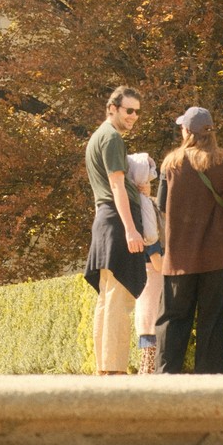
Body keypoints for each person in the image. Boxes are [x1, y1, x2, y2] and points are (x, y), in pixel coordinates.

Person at [155, 106, 223, 374]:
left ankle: (164, 379)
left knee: (173, 319)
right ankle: (209, 384)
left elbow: (162, 204)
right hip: (217, 256)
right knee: (212, 321)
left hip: (179, 257)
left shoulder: (171, 163)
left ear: (186, 130)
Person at [84, 87, 146, 375]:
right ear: (113, 108)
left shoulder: (98, 136)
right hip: (117, 221)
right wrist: (131, 230)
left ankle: (105, 368)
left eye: (137, 111)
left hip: (105, 220)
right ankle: (115, 370)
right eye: (128, 110)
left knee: (108, 297)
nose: (134, 116)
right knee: (119, 299)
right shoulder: (111, 138)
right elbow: (116, 185)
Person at [126, 153, 164, 374]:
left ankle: (147, 367)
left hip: (145, 269)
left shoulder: (137, 204)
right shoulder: (143, 206)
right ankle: (150, 367)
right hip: (152, 268)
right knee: (151, 317)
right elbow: (152, 239)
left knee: (147, 316)